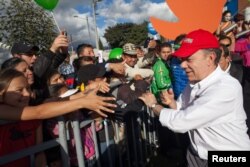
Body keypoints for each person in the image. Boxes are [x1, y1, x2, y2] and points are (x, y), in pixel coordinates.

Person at [139, 29, 250, 167]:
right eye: (182, 59)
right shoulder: (193, 83)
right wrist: (172, 103)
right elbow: (182, 109)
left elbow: (181, 122)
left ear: (210, 58)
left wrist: (153, 105)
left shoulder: (226, 87)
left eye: (189, 59)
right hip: (196, 154)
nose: (182, 65)